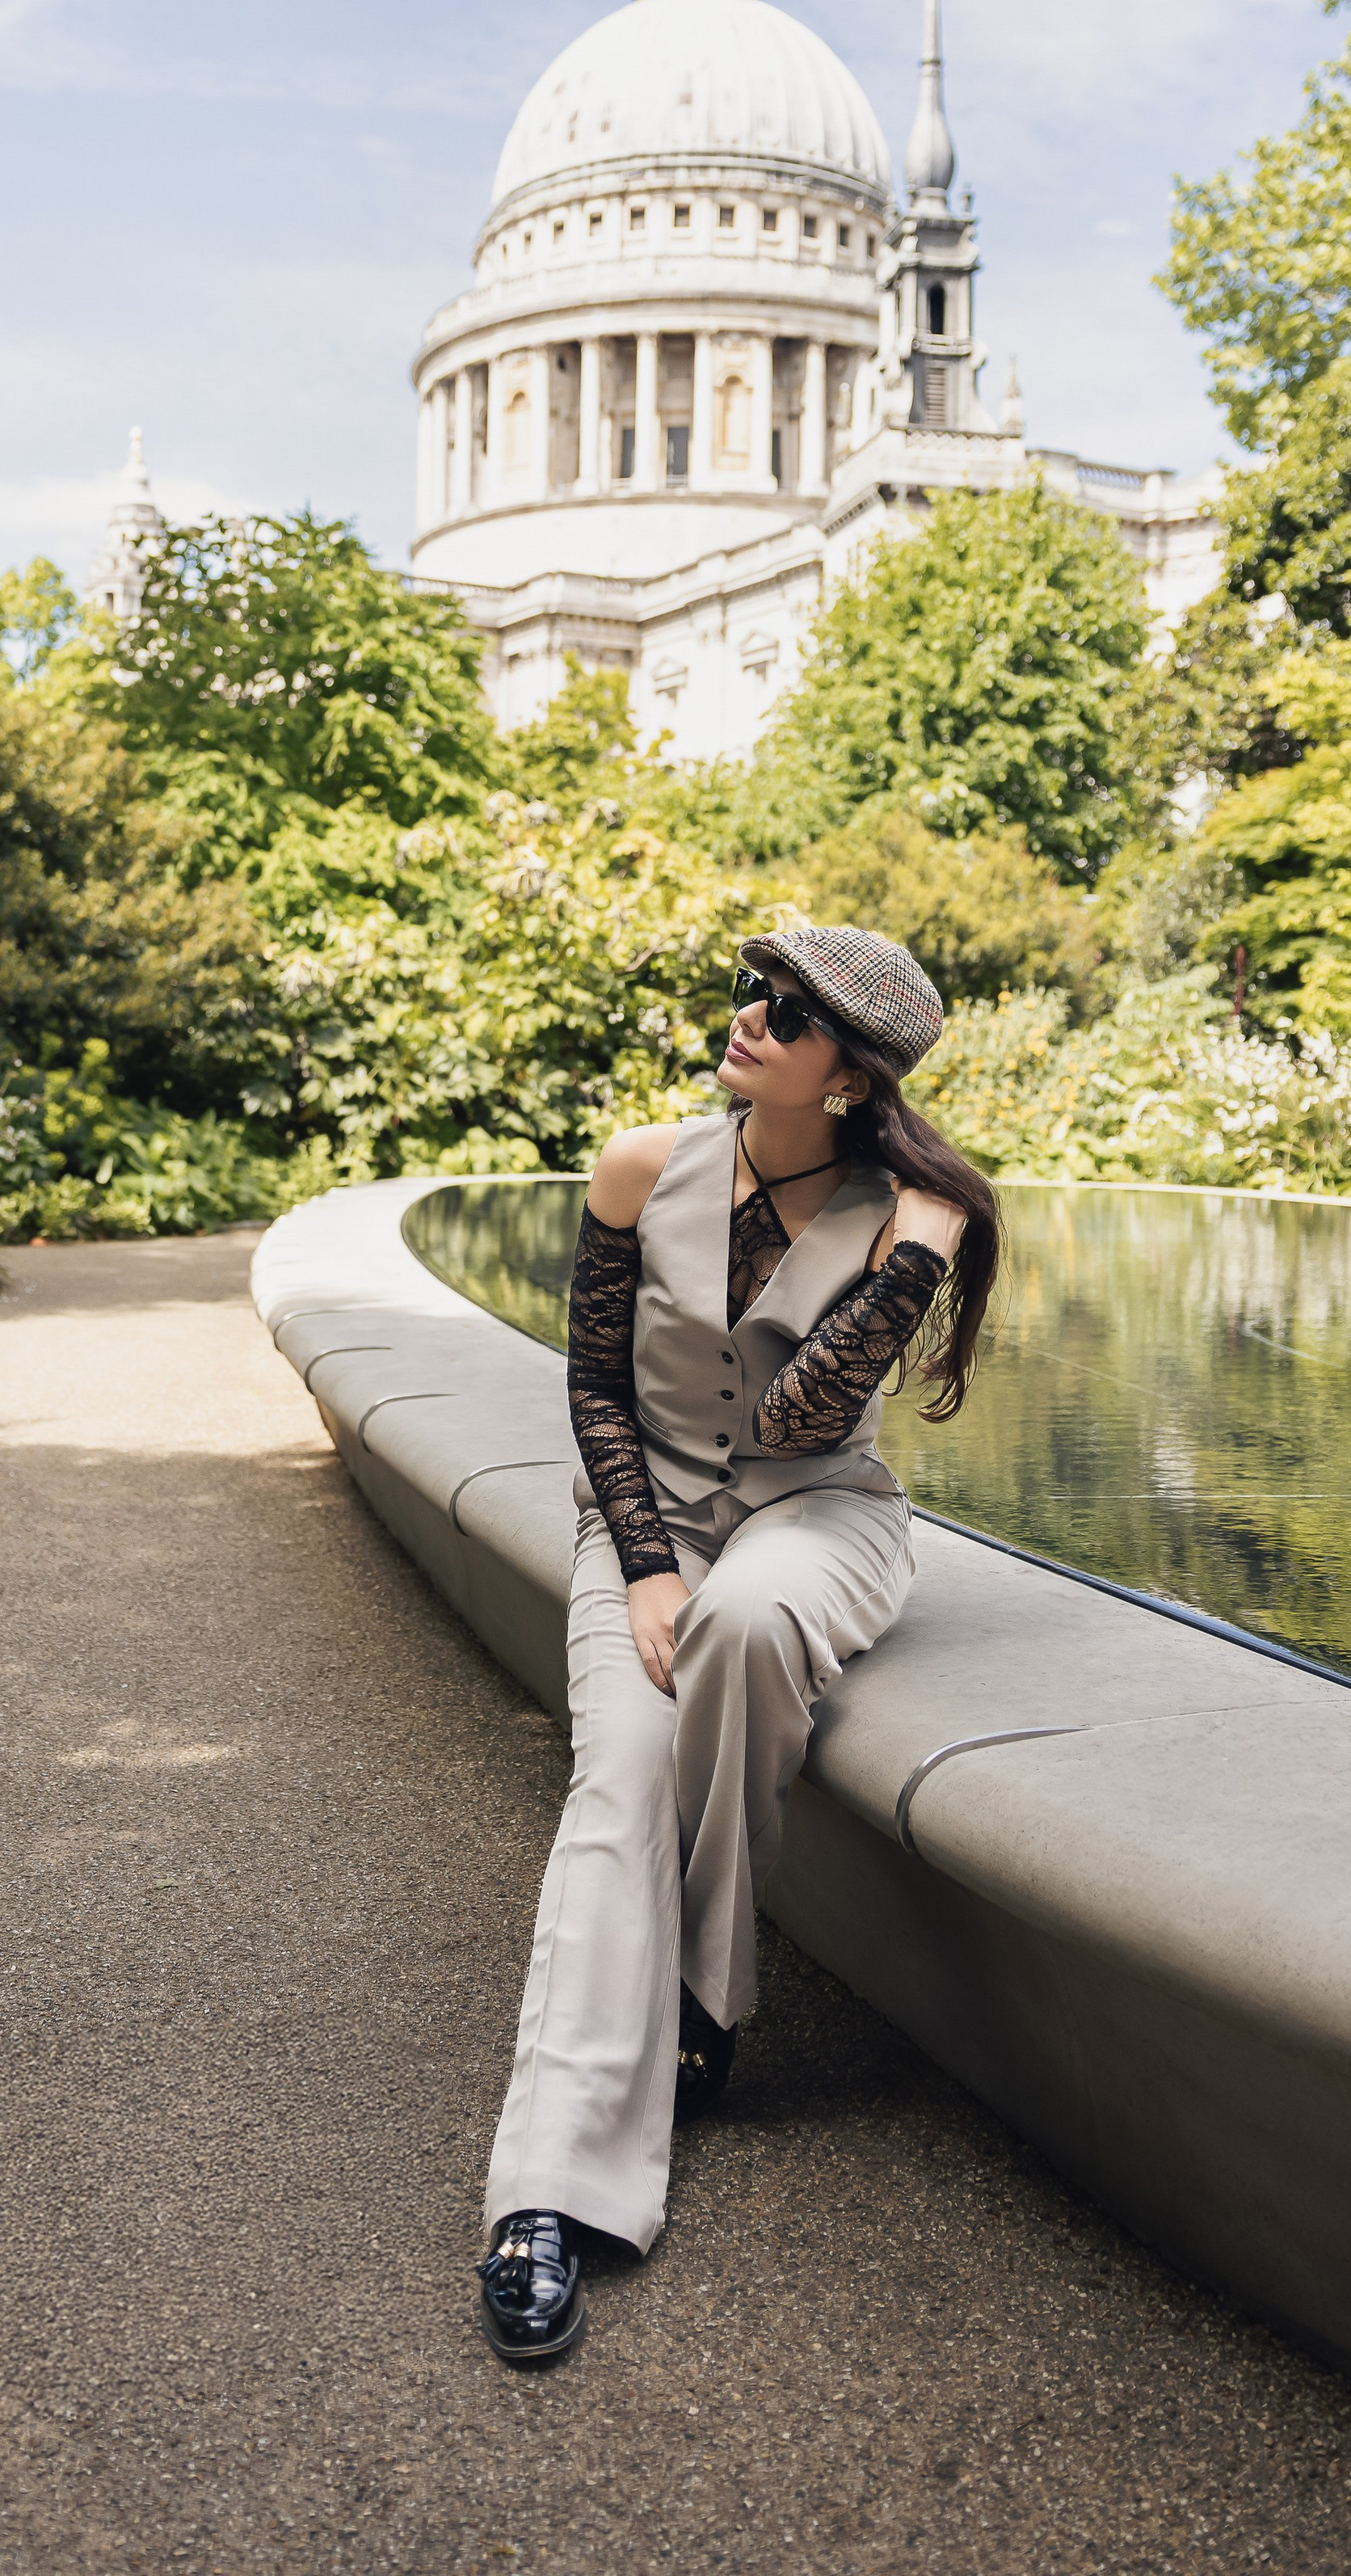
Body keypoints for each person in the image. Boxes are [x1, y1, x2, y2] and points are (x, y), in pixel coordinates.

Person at [474, 925, 1000, 2364]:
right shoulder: (640, 1168)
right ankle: (544, 2196)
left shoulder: (902, 1211)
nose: (750, 1018)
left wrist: (907, 1272)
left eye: (792, 1013)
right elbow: (591, 1392)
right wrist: (645, 1568)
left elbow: (795, 1427)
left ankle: (705, 1991)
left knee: (757, 1618)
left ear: (848, 1076)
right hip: (643, 1525)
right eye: (755, 992)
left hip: (818, 1519)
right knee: (616, 1783)